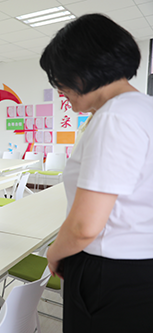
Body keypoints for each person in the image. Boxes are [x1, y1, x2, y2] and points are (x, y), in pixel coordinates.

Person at [40, 14, 153, 332]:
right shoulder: (145, 108)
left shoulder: (114, 117)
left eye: (60, 81)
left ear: (78, 70)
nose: (62, 91)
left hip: (110, 274)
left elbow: (85, 227)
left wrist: (54, 254)